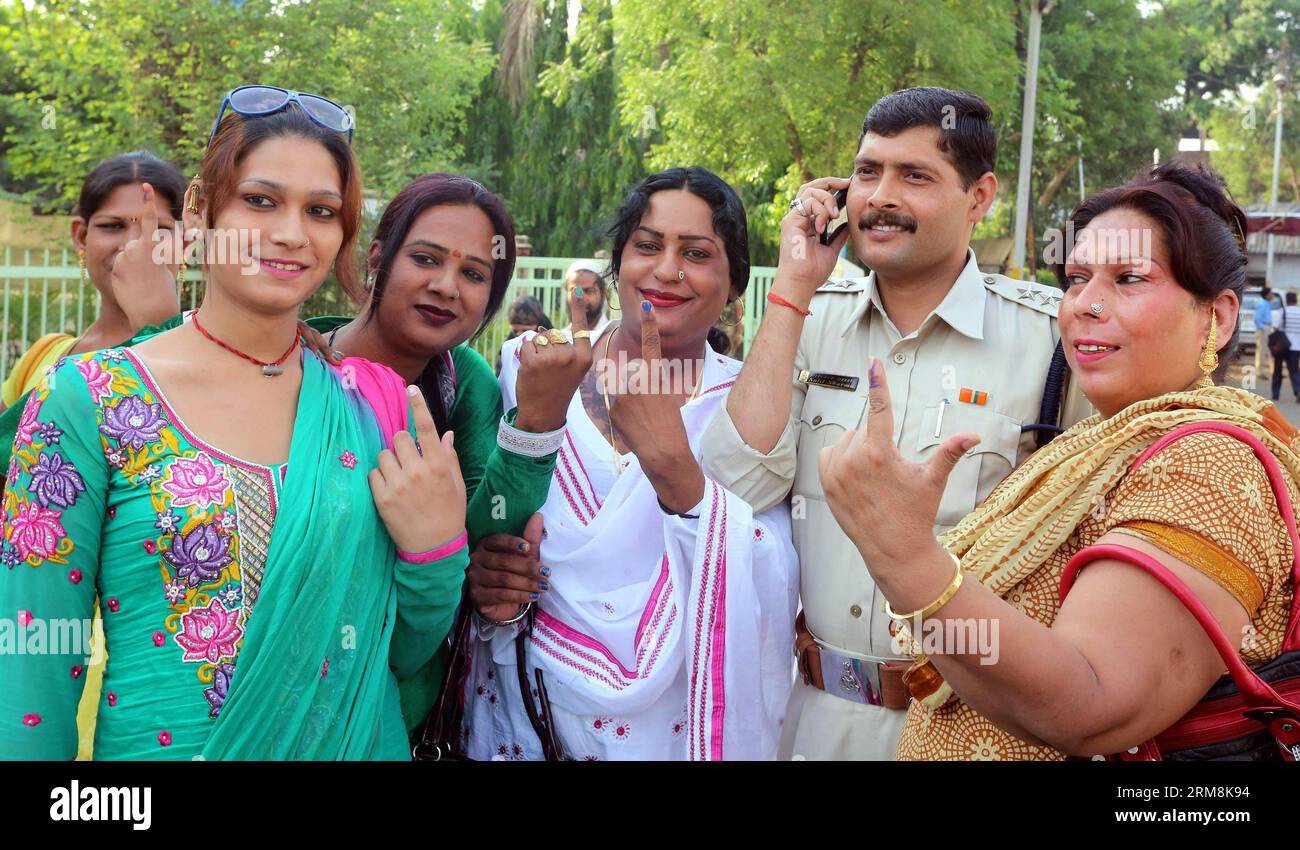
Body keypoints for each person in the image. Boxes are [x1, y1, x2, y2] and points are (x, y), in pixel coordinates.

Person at [0, 86, 467, 760]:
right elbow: (32, 661)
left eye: (321, 211)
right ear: (198, 207)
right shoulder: (90, 400)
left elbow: (402, 650)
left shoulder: (373, 407)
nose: (290, 233)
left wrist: (436, 550)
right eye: (260, 200)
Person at [819, 161, 1298, 760]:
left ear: (1219, 317)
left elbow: (1090, 703)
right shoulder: (1099, 438)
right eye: (1075, 279)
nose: (1084, 306)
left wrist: (905, 556)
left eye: (1129, 278)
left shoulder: (1208, 463)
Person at [700, 87, 1090, 760]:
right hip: (815, 719)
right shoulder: (809, 315)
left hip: (974, 729)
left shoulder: (1050, 341)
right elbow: (734, 485)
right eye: (867, 172)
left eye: (915, 176)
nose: (880, 196)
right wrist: (793, 287)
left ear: (979, 197)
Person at [461, 167, 799, 760]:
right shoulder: (529, 367)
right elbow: (471, 514)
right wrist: (484, 572)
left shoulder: (751, 404)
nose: (667, 269)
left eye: (696, 252)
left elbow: (770, 577)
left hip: (671, 730)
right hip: (524, 719)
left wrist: (678, 474)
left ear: (734, 283)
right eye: (647, 245)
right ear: (617, 264)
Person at [0, 152, 185, 414]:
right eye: (112, 226)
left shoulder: (220, 359)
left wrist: (158, 330)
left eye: (158, 229)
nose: (133, 246)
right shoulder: (42, 357)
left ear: (186, 243)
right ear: (81, 237)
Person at [563, 259, 612, 339]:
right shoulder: (561, 338)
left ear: (603, 293)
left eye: (589, 291)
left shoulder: (612, 337)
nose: (580, 298)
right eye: (575, 291)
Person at [1272, 291, 1300, 403]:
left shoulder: (1281, 312)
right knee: (1294, 370)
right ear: (1296, 300)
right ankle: (1297, 390)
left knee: (1277, 370)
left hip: (1281, 346)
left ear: (1286, 301)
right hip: (1296, 347)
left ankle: (1275, 394)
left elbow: (1275, 327)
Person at [1254, 285, 1274, 381]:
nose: (1272, 295)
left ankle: (1273, 371)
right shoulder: (1262, 304)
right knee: (1262, 350)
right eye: (1271, 293)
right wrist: (1264, 328)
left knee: (1270, 350)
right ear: (1266, 295)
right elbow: (1257, 319)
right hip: (1263, 328)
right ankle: (1259, 372)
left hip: (1268, 327)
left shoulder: (1267, 303)